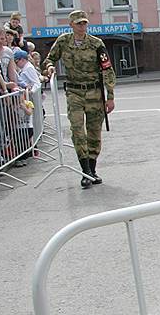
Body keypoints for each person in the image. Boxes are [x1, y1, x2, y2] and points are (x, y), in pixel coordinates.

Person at [42, 10, 116, 189]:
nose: (82, 26)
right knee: (77, 130)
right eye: (78, 23)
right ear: (71, 25)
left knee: (93, 132)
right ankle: (85, 172)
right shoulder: (63, 41)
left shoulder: (96, 44)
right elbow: (49, 59)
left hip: (94, 93)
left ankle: (92, 168)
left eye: (84, 23)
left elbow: (107, 69)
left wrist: (110, 96)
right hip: (74, 92)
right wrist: (50, 67)